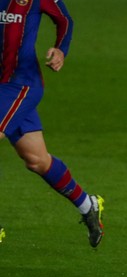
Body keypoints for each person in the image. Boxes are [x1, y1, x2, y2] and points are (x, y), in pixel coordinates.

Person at [0, 0, 103, 247]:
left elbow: (65, 19)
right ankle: (87, 205)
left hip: (20, 84)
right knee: (37, 160)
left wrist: (60, 49)